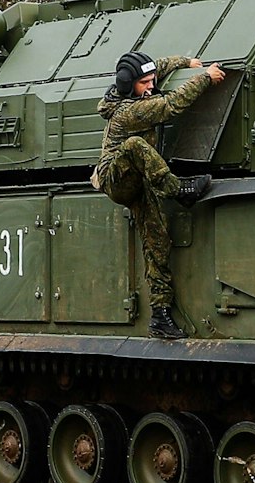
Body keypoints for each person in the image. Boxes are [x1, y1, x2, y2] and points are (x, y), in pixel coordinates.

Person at [93, 50, 224, 339]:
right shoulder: (128, 111)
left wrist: (186, 63)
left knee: (158, 242)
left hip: (141, 180)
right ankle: (180, 190)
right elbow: (171, 105)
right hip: (117, 180)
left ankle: (161, 315)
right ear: (129, 85)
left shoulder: (137, 88)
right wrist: (205, 77)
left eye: (151, 80)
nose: (150, 86)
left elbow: (161, 66)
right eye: (144, 83)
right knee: (135, 145)